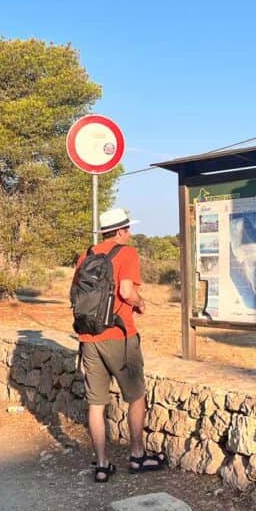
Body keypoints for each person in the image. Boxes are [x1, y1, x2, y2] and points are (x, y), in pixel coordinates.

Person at [75, 207, 166, 483]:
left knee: (96, 403)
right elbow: (126, 291)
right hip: (119, 336)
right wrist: (141, 303)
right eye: (127, 229)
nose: (130, 233)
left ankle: (102, 464)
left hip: (89, 338)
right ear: (120, 231)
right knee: (136, 394)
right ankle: (137, 455)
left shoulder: (85, 256)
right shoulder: (127, 253)